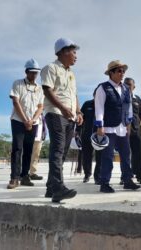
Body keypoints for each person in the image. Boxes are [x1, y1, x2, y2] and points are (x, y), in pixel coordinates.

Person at [41, 38, 83, 202]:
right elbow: (47, 90)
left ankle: (50, 188)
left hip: (69, 116)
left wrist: (78, 112)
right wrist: (63, 108)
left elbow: (74, 95)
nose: (75, 56)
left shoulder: (71, 74)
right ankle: (59, 188)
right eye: (73, 52)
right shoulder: (51, 68)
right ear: (64, 52)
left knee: (63, 152)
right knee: (57, 150)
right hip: (56, 114)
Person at [94, 60, 140, 193]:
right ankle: (104, 183)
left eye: (123, 71)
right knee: (107, 156)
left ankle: (127, 180)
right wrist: (99, 125)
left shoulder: (126, 89)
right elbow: (99, 107)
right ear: (111, 73)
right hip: (108, 127)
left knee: (126, 155)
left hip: (122, 127)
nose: (122, 73)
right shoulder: (103, 88)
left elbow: (129, 107)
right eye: (119, 71)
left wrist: (128, 123)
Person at [7, 59, 44, 189]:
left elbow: (41, 106)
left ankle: (24, 176)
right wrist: (25, 120)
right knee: (17, 148)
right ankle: (14, 177)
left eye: (36, 73)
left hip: (33, 123)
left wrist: (33, 120)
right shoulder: (18, 84)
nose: (34, 75)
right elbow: (16, 102)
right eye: (32, 72)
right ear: (26, 72)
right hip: (18, 120)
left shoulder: (39, 88)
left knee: (29, 150)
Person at [124, 78, 141, 184]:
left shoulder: (137, 99)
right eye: (126, 84)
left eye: (130, 84)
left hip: (137, 129)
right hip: (124, 129)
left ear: (134, 86)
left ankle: (140, 176)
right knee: (125, 154)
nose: (128, 86)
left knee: (139, 153)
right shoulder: (121, 97)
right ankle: (124, 177)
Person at [77, 90, 102, 184]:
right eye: (97, 94)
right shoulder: (87, 104)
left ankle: (98, 177)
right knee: (86, 156)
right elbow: (80, 118)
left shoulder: (104, 105)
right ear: (94, 95)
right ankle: (87, 175)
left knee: (100, 157)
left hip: (99, 135)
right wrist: (77, 130)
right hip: (86, 134)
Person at [29, 114, 46, 180]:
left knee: (36, 156)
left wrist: (43, 135)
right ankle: (23, 173)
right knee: (27, 155)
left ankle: (32, 173)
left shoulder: (42, 116)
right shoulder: (33, 114)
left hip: (39, 138)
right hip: (31, 137)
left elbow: (43, 127)